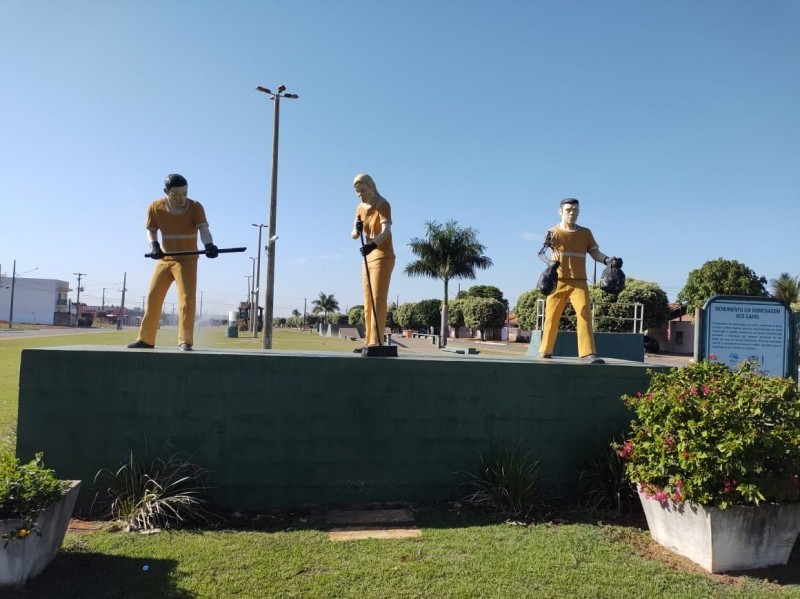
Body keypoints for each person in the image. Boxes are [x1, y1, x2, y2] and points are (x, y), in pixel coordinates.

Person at [127, 174, 218, 351]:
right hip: (165, 259)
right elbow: (151, 231)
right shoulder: (155, 207)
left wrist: (209, 245)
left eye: (184, 193)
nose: (181, 198)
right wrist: (154, 245)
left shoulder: (195, 207)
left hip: (187, 260)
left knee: (186, 299)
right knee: (153, 298)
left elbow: (204, 230)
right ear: (166, 192)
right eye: (176, 194)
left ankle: (185, 340)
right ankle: (145, 340)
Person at [538, 198, 622, 364]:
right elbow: (541, 252)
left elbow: (595, 253)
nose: (572, 213)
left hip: (579, 282)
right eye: (568, 209)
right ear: (560, 211)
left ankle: (587, 353)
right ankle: (545, 350)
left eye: (575, 210)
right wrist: (549, 263)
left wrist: (608, 261)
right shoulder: (553, 232)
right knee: (551, 316)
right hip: (558, 281)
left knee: (584, 314)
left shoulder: (585, 233)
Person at [351, 174, 395, 348]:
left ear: (371, 187)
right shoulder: (359, 208)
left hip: (383, 256)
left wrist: (373, 245)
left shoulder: (383, 205)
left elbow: (386, 231)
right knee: (368, 301)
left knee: (378, 299)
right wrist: (357, 229)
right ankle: (368, 341)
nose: (360, 194)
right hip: (367, 258)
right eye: (357, 192)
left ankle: (377, 341)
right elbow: (354, 235)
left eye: (363, 190)